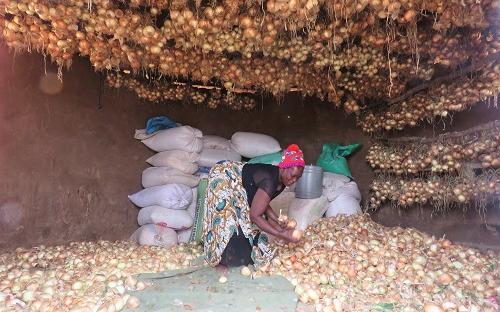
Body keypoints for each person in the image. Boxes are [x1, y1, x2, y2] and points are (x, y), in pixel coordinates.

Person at [203, 144, 305, 269]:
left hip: (240, 184)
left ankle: (234, 253)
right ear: (284, 168)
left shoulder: (282, 182)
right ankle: (218, 259)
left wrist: (277, 220)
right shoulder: (270, 180)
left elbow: (262, 201)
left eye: (298, 178)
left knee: (245, 246)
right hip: (225, 176)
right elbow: (255, 216)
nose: (294, 180)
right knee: (227, 219)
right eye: (293, 175)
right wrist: (281, 234)